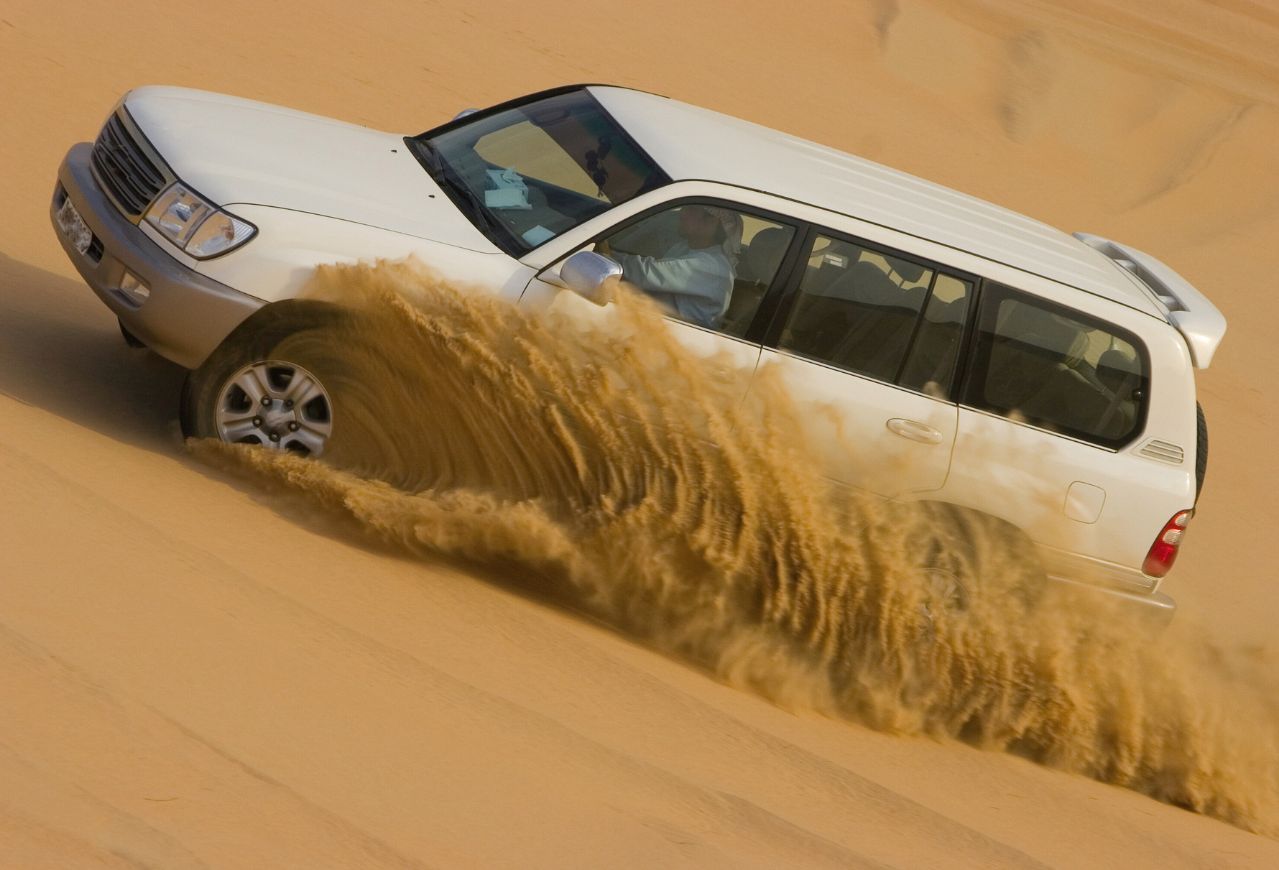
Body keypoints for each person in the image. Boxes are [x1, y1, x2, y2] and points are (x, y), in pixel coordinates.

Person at [599, 205, 743, 329]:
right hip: (657, 328)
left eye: (691, 209)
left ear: (712, 222)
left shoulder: (711, 266)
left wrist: (602, 252)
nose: (682, 213)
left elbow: (645, 273)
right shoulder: (684, 248)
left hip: (681, 343)